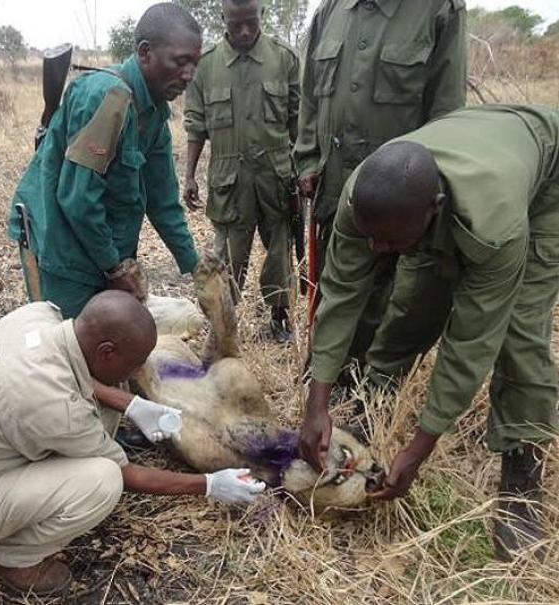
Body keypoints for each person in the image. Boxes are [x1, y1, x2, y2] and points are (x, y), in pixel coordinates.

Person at [298, 104, 559, 561]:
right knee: (415, 299)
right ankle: (373, 402)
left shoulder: (494, 228)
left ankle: (521, 473)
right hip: (472, 153)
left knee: (519, 332)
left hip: (543, 179)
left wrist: (419, 449)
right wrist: (316, 404)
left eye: (390, 242)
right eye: (370, 237)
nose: (377, 250)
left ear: (433, 211)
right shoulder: (365, 195)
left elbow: (471, 342)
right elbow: (340, 296)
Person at [0, 291, 266, 596]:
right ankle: (9, 558)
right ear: (106, 351)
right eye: (132, 363)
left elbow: (69, 371)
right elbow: (126, 474)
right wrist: (209, 485)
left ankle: (12, 523)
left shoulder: (37, 317)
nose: (137, 371)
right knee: (102, 481)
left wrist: (132, 405)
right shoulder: (54, 407)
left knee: (100, 413)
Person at [294, 0, 466, 370]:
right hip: (335, 185)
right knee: (331, 287)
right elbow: (309, 96)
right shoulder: (331, 10)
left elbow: (448, 111)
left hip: (399, 199)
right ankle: (324, 373)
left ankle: (365, 385)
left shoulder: (437, 10)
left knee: (382, 299)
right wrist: (307, 158)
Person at [8, 3, 202, 320]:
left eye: (195, 64)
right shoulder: (106, 99)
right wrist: (113, 267)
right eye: (181, 62)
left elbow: (163, 200)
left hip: (104, 249)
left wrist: (196, 268)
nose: (189, 75)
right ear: (144, 53)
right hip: (65, 250)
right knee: (71, 348)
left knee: (113, 345)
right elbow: (77, 199)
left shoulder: (154, 113)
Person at [183, 0, 300, 344]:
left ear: (261, 15)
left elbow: (299, 122)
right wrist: (189, 175)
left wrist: (308, 170)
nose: (245, 31)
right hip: (229, 181)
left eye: (251, 22)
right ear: (223, 20)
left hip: (276, 177)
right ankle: (223, 325)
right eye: (237, 25)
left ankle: (279, 316)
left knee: (281, 250)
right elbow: (195, 126)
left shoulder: (284, 59)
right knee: (227, 257)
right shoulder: (205, 67)